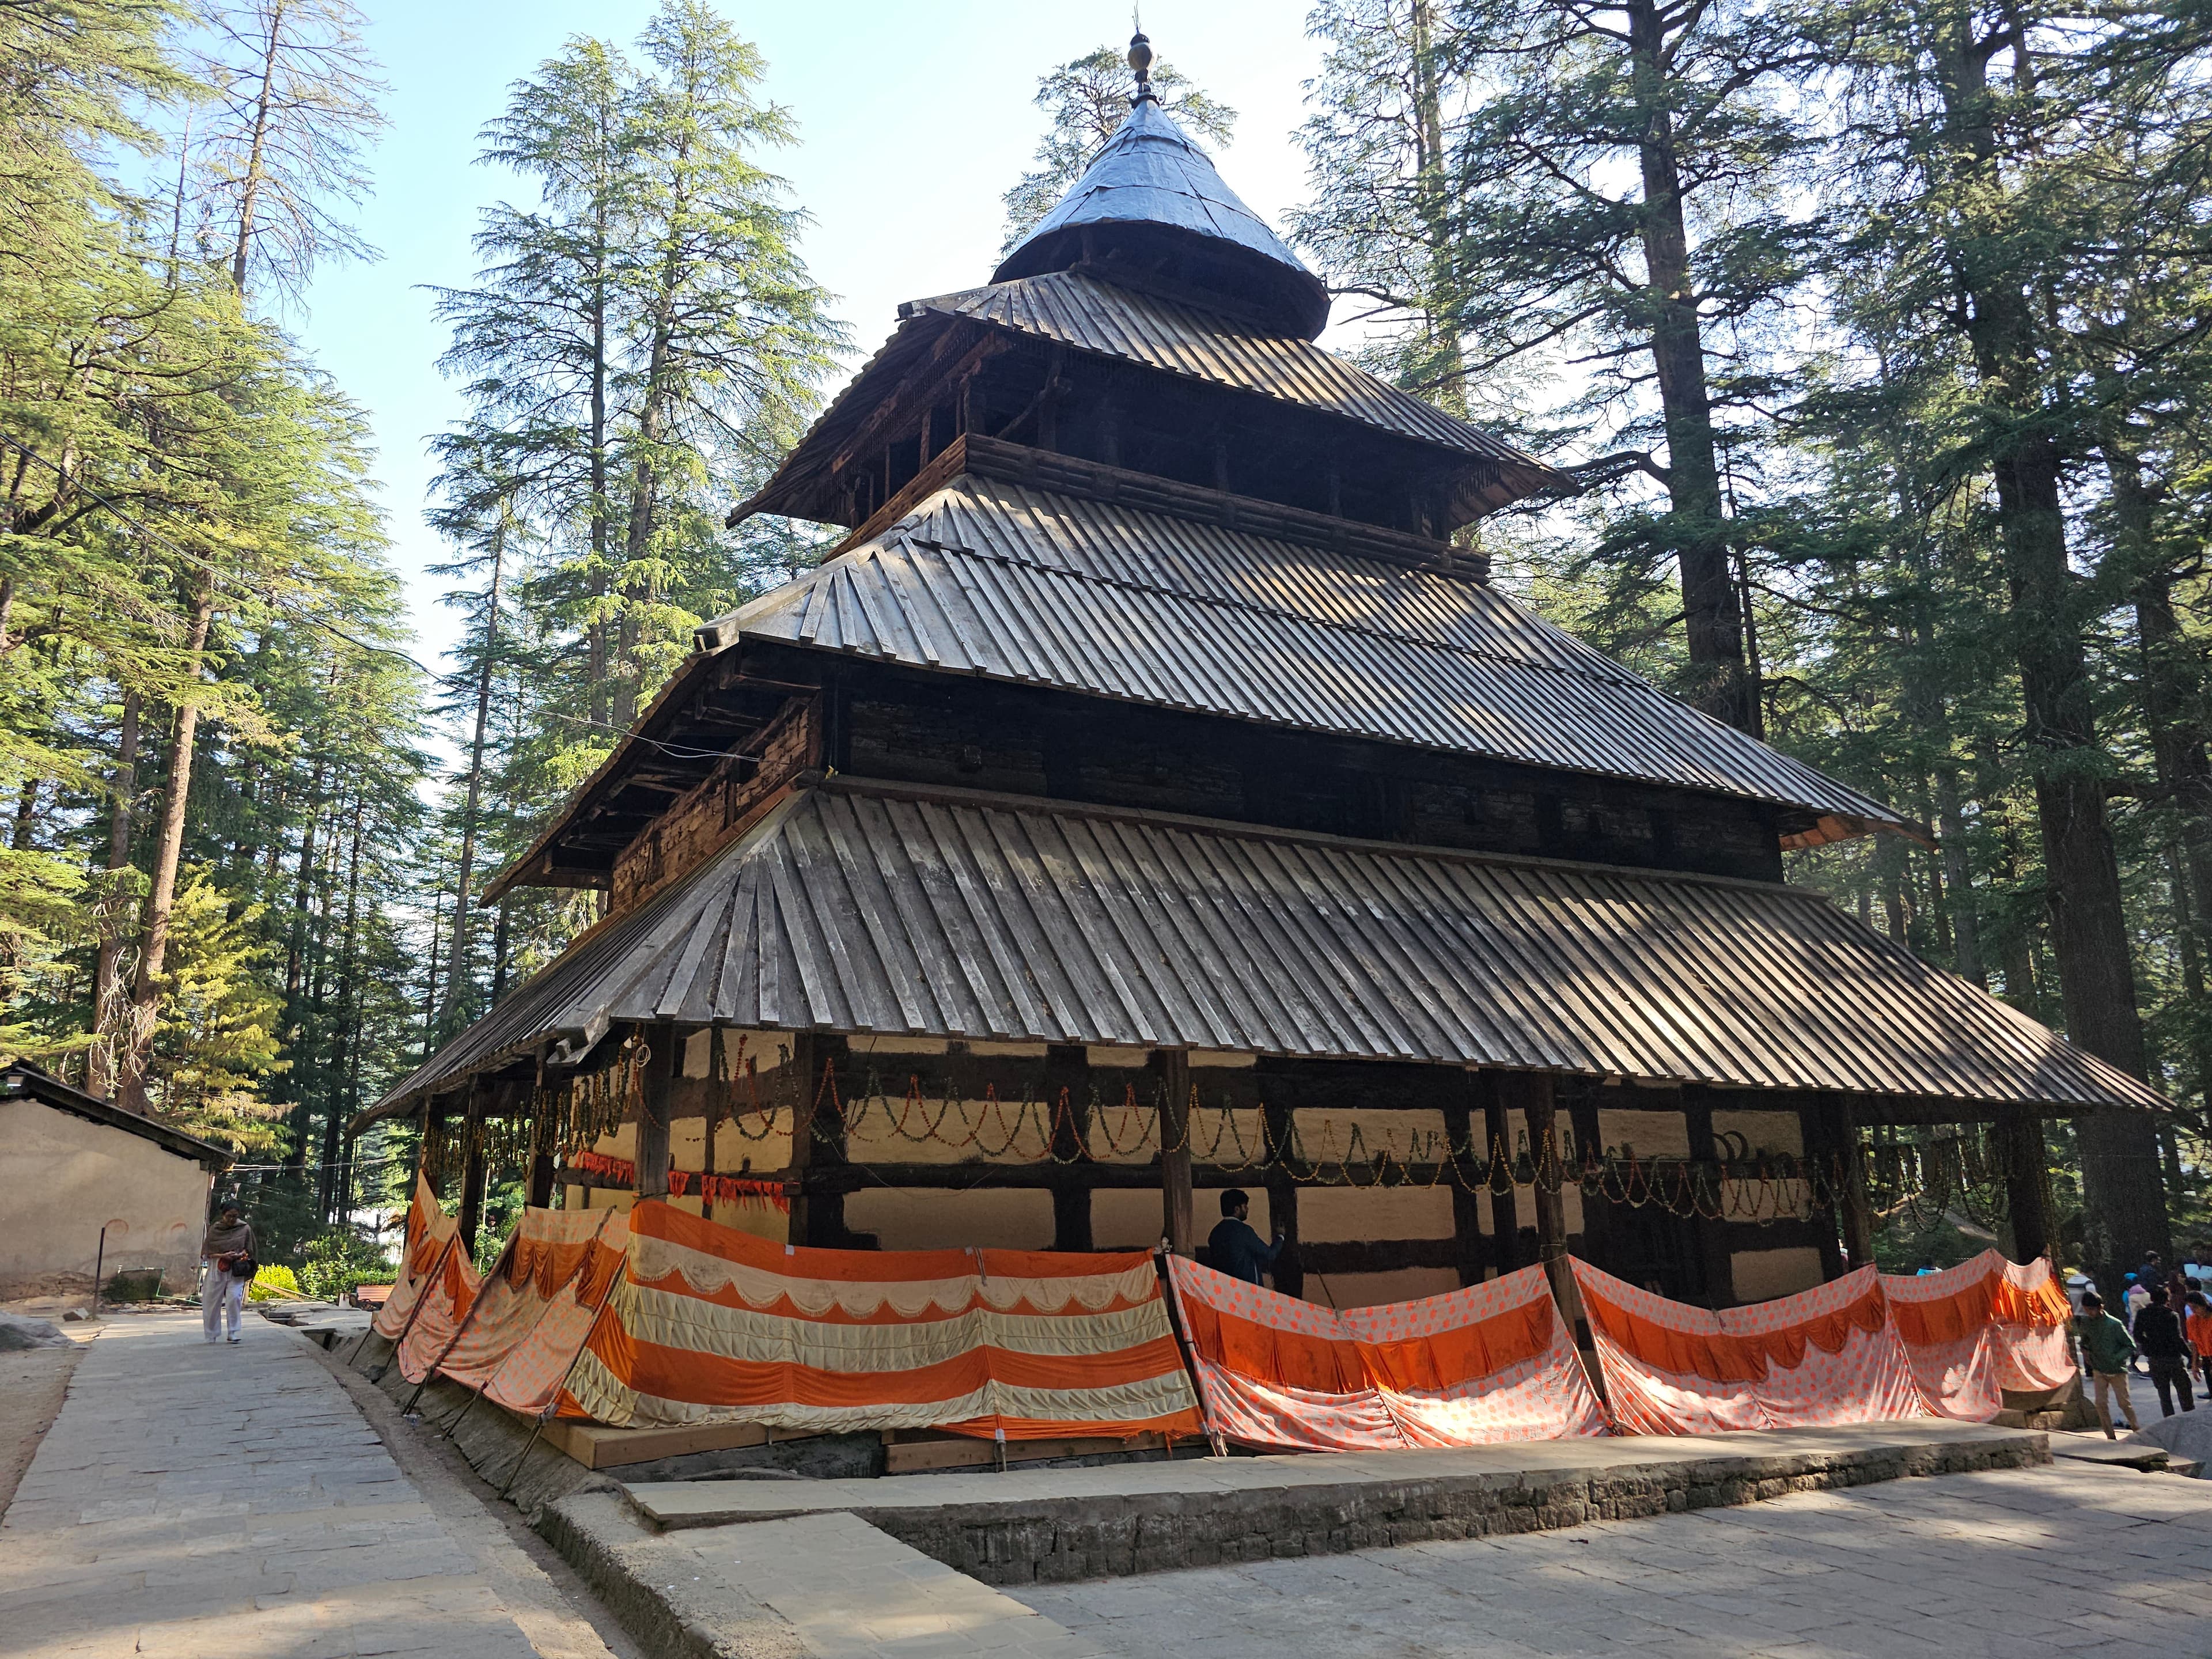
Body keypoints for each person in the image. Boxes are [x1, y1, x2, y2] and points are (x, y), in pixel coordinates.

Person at [2075, 1291, 2141, 1439]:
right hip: (2099, 1370)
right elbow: (2084, 1342)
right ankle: (2110, 1436)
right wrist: (2086, 1354)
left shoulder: (2114, 1324)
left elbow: (2130, 1346)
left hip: (2117, 1370)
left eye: (2092, 1309)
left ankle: (2137, 1431)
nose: (2089, 1313)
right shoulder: (2086, 1324)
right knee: (2100, 1404)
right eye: (2086, 1310)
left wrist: (2117, 1358)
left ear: (2100, 1307)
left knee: (2124, 1404)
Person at [199, 1202, 257, 1346]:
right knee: (212, 1302)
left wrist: (239, 1254)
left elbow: (250, 1250)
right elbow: (207, 1253)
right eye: (229, 1216)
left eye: (235, 1216)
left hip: (236, 1269)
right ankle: (211, 1334)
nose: (232, 1219)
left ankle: (234, 1332)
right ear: (223, 1215)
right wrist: (222, 1255)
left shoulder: (245, 1229)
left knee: (234, 1299)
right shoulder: (215, 1230)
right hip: (217, 1269)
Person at [2135, 1285, 2196, 1417]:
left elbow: (2137, 1335)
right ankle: (2189, 1418)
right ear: (2167, 1299)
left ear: (2151, 1298)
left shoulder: (2143, 1314)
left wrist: (2149, 1346)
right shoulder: (2171, 1315)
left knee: (2164, 1394)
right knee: (2184, 1392)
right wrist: (2190, 1356)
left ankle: (2169, 1421)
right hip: (2173, 1358)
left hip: (2155, 1359)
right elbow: (2178, 1339)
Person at [1206, 1190, 1284, 1286]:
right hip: (1247, 1290)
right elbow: (1269, 1255)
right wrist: (1280, 1237)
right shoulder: (1244, 1231)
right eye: (1245, 1206)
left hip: (1224, 1288)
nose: (1247, 1209)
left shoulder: (1215, 1233)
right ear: (1237, 1209)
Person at [2183, 1290, 2212, 1382]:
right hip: (2206, 1359)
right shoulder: (2192, 1321)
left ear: (2204, 1304)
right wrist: (2194, 1363)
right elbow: (2194, 1343)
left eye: (2196, 1307)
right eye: (2191, 1308)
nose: (2194, 1311)